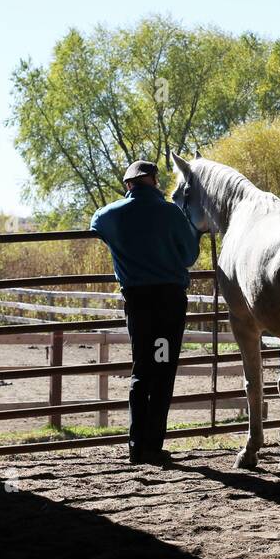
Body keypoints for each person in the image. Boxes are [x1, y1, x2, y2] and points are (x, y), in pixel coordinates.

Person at [90, 160, 201, 465]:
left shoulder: (110, 215)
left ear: (128, 184)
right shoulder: (171, 212)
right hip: (169, 302)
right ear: (153, 181)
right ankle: (154, 444)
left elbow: (95, 224)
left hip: (138, 303)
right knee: (163, 369)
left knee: (141, 371)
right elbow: (190, 255)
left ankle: (136, 444)